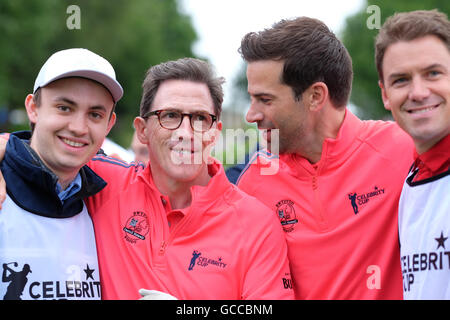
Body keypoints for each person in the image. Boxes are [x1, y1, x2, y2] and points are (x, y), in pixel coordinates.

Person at [236, 17, 415, 299]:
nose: (251, 115)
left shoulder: (403, 151)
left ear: (315, 96)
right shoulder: (252, 184)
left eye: (265, 100)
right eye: (252, 98)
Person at [84, 57, 294, 300]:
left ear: (215, 133)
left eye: (200, 118)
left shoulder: (257, 225)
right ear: (142, 131)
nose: (186, 133)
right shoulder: (104, 183)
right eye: (170, 115)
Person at [0, 48, 122, 300]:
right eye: (65, 108)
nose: (78, 128)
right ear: (33, 108)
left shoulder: (108, 201)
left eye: (95, 114)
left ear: (109, 124)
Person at [376, 9, 450, 299]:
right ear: (385, 94)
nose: (418, 92)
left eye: (433, 73)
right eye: (401, 80)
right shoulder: (411, 179)